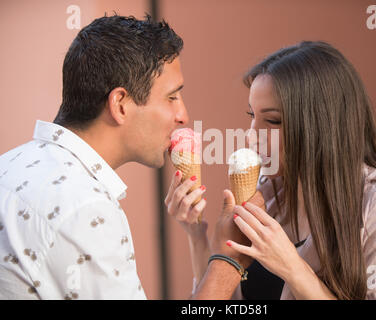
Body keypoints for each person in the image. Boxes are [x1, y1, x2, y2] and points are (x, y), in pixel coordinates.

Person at [0, 14, 243, 300]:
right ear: (120, 104)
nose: (183, 116)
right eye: (172, 97)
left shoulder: (9, 164)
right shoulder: (85, 208)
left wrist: (195, 234)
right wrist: (229, 261)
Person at [166, 41, 376, 300]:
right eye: (252, 117)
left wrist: (293, 268)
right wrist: (196, 235)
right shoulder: (266, 195)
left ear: (322, 124)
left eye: (272, 121)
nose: (251, 137)